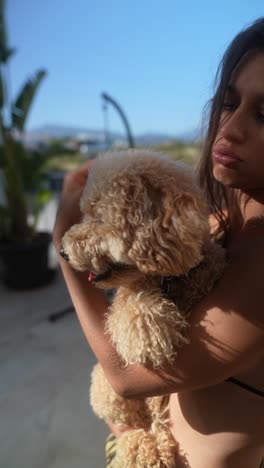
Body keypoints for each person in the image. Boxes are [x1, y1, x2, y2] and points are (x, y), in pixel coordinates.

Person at [53, 18, 264, 468]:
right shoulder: (218, 219)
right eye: (229, 103)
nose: (230, 129)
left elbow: (127, 377)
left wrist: (65, 248)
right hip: (144, 443)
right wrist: (128, 429)